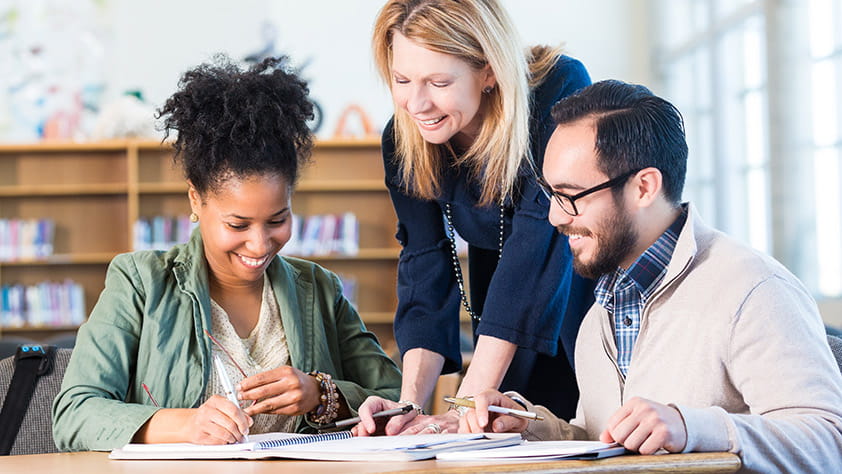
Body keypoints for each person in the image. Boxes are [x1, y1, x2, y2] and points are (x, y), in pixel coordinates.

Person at [460, 80, 842, 473]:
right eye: (549, 194)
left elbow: (828, 442)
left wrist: (689, 427)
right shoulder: (599, 313)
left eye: (570, 195)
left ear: (644, 187)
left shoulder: (754, 290)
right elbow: (604, 442)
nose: (555, 216)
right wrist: (531, 427)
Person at [51, 56, 402, 451]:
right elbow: (75, 414)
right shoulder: (140, 283)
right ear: (195, 199)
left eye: (277, 220)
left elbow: (397, 399)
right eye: (238, 225)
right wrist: (185, 425)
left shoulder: (319, 288)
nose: (259, 244)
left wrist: (322, 396)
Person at [355, 0, 594, 436]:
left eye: (439, 82)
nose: (416, 103)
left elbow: (537, 245)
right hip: (501, 306)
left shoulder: (557, 88)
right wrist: (409, 404)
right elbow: (425, 266)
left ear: (488, 71)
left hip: (580, 288)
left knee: (585, 429)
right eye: (401, 79)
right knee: (495, 432)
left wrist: (465, 404)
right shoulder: (403, 137)